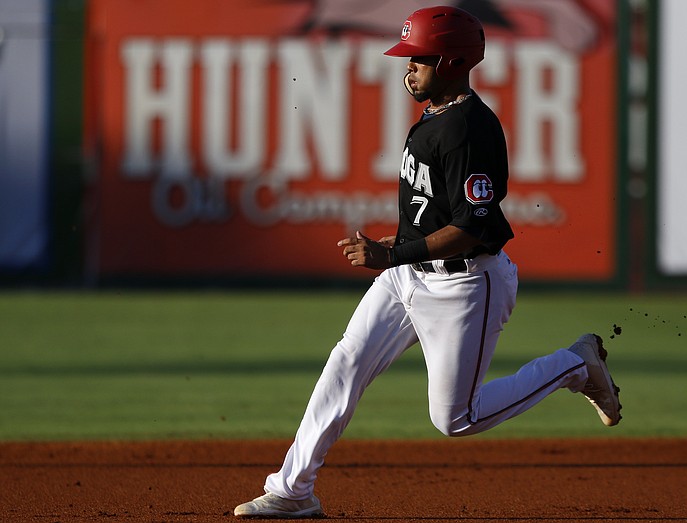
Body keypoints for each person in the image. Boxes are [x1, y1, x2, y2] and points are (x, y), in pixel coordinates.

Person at [234, 6, 621, 518]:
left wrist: (391, 253)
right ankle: (292, 490)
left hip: (465, 286)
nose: (407, 67)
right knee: (346, 362)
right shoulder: (437, 112)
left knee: (456, 419)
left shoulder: (469, 130)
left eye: (419, 58)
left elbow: (471, 228)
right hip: (406, 277)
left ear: (454, 61)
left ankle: (575, 364)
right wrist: (398, 260)